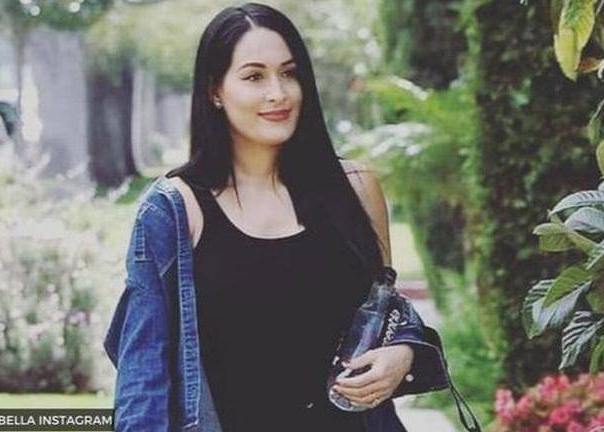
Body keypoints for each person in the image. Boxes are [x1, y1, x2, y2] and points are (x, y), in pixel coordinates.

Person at [103, 3, 453, 431]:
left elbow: (384, 313)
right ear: (215, 91)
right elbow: (142, 374)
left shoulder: (357, 189)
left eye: (289, 73)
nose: (278, 93)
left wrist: (404, 354)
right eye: (254, 77)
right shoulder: (175, 210)